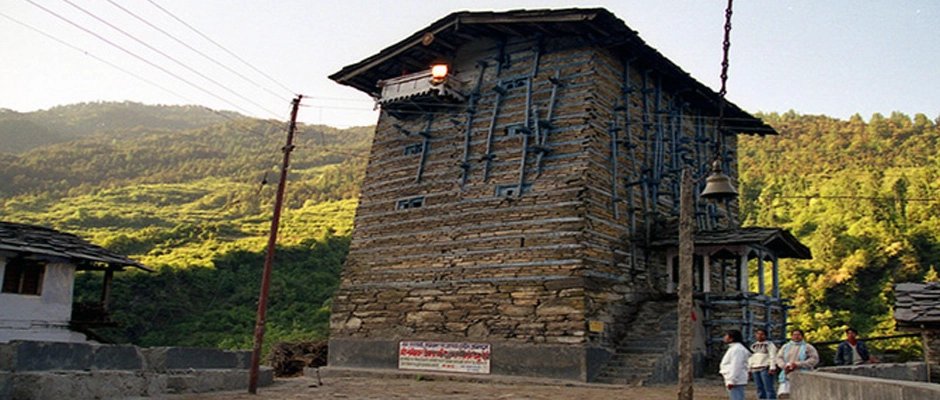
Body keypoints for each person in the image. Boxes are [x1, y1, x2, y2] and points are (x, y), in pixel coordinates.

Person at [774, 329, 819, 397]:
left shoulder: (808, 347)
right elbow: (779, 358)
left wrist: (798, 364)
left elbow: (814, 359)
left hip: (803, 374)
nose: (796, 337)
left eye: (798, 335)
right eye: (794, 335)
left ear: (802, 336)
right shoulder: (785, 347)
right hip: (788, 373)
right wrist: (784, 366)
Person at [719, 329, 750, 400]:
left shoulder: (737, 349)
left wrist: (732, 380)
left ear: (731, 339)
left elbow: (736, 365)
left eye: (726, 336)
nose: (724, 337)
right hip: (734, 378)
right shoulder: (734, 348)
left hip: (736, 379)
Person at [748, 328, 778, 399]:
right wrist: (749, 368)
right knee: (759, 388)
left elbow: (772, 356)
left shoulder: (769, 345)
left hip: (765, 367)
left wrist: (772, 367)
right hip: (755, 368)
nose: (759, 336)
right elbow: (750, 357)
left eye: (762, 334)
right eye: (758, 334)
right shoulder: (754, 345)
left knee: (768, 387)